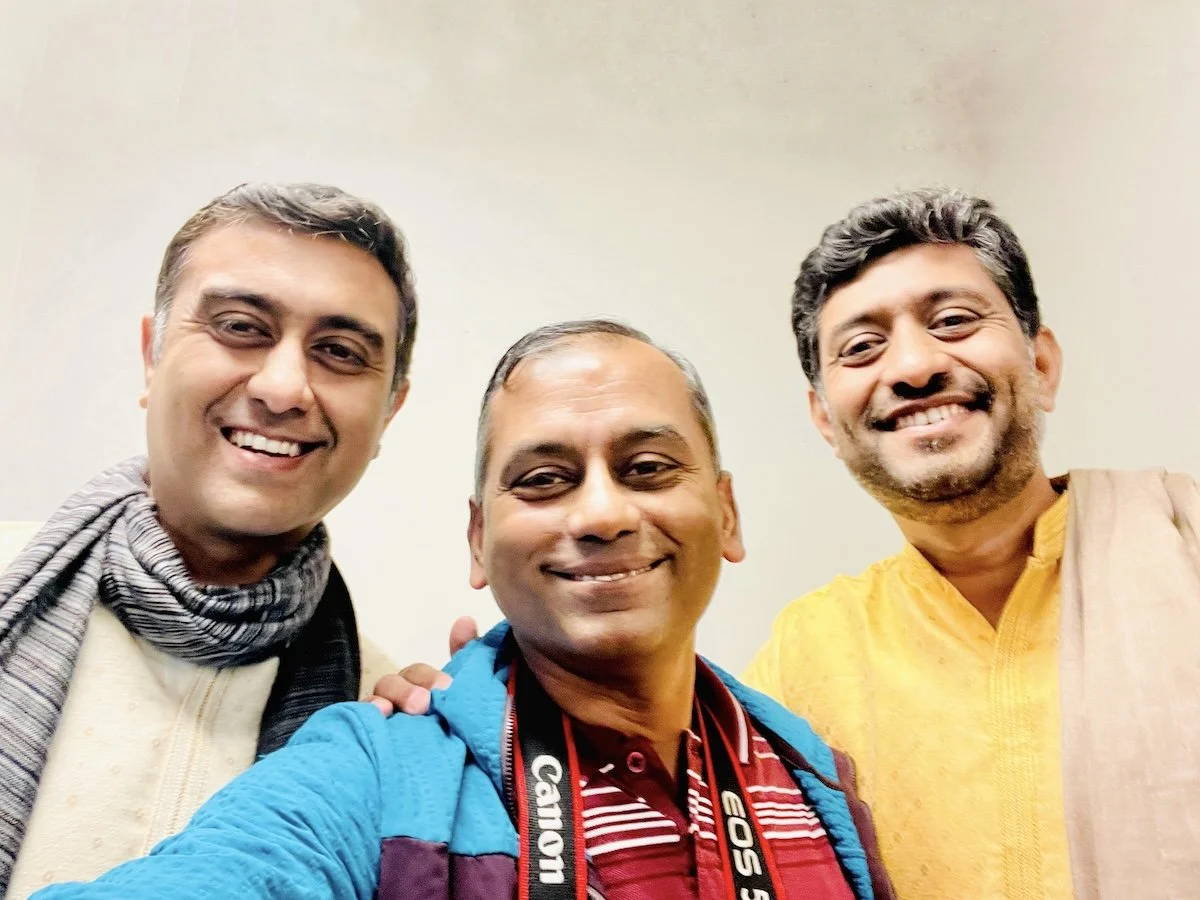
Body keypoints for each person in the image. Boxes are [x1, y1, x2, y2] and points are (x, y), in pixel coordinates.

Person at [378, 190, 1200, 900]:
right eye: (862, 347)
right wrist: (466, 709)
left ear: (1042, 363)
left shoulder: (1183, 540)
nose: (913, 365)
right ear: (825, 421)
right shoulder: (808, 657)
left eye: (952, 320)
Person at [34, 320, 897, 900]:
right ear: (479, 543)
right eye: (544, 480)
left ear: (728, 513)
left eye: (647, 469)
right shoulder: (379, 765)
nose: (601, 514)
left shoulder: (812, 774)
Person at [0, 182, 416, 898]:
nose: (284, 388)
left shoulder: (383, 719)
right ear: (152, 355)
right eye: (240, 327)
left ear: (388, 414)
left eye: (340, 351)